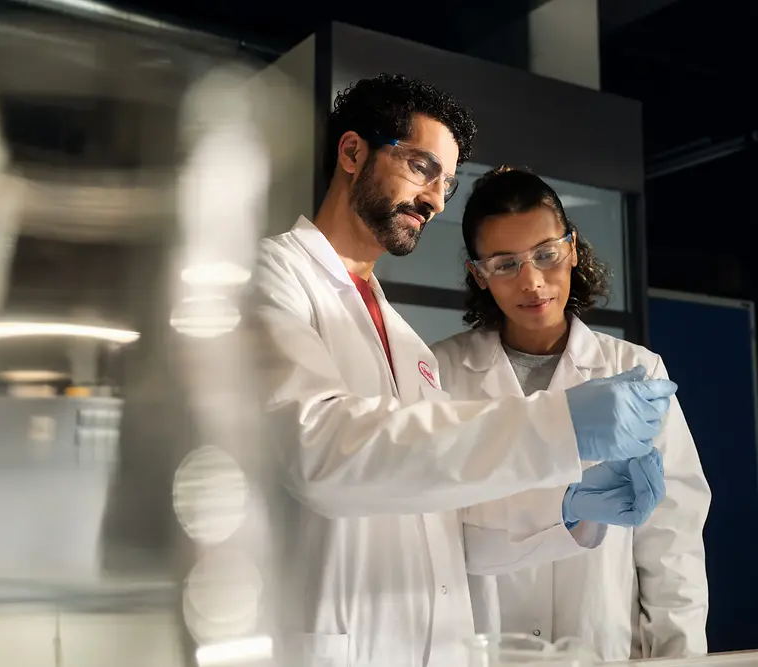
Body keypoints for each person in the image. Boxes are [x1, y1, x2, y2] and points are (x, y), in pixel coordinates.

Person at [247, 74, 676, 667]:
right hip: (339, 646)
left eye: (446, 183)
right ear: (352, 152)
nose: (436, 200)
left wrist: (566, 509)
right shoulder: (269, 278)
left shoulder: (407, 344)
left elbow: (448, 527)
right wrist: (560, 426)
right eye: (423, 168)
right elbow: (321, 449)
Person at [431, 166, 711, 662]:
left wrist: (678, 658)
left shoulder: (635, 371)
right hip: (482, 643)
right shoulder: (440, 374)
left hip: (598, 640)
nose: (533, 282)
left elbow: (672, 542)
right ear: (479, 274)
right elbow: (431, 530)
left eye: (546, 255)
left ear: (572, 249)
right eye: (505, 264)